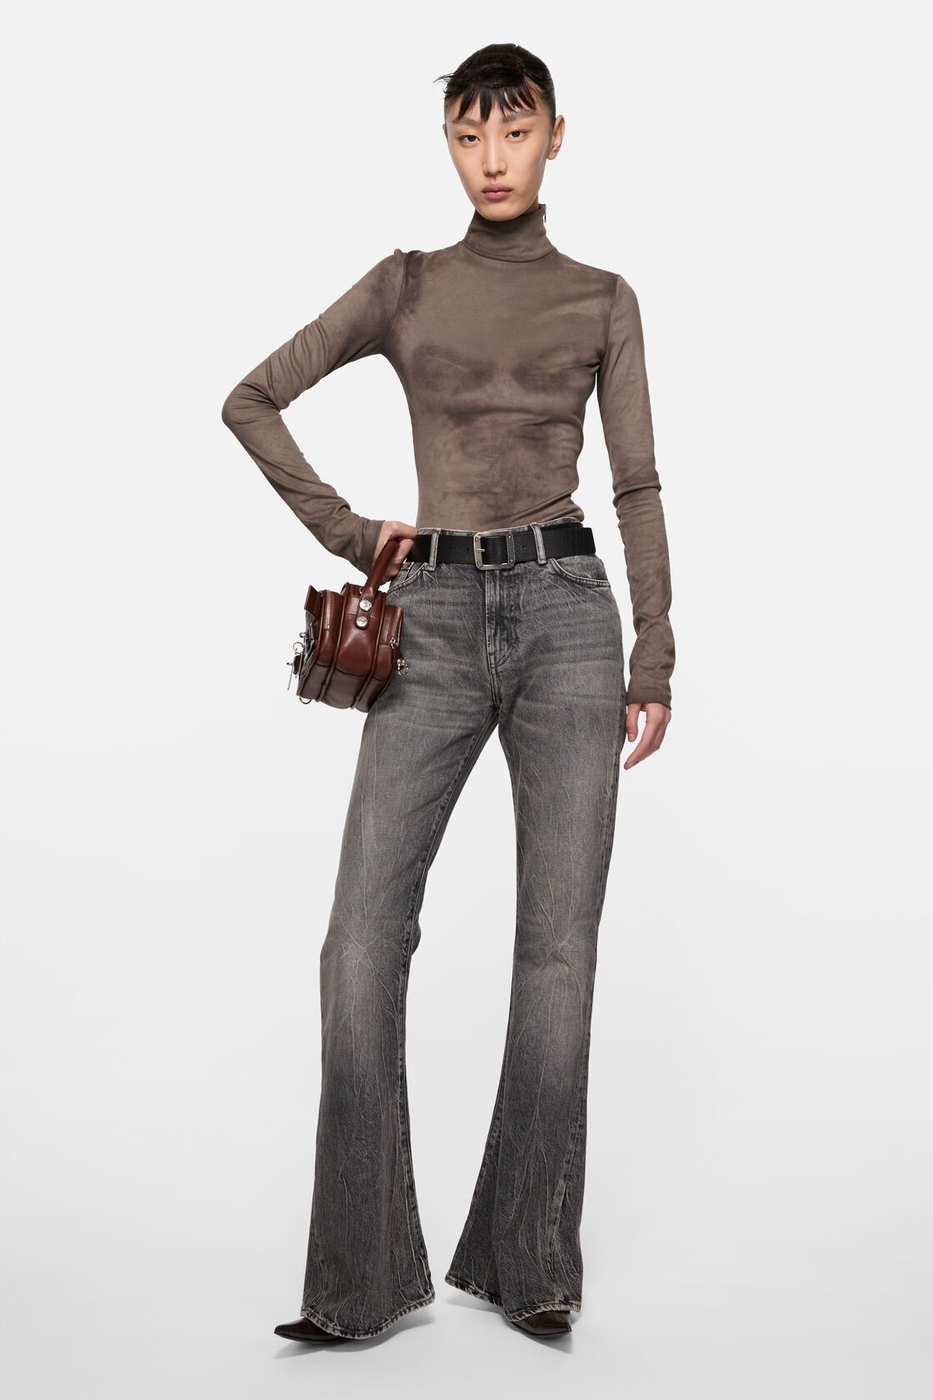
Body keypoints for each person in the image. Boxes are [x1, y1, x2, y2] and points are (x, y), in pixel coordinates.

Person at [221, 42, 675, 1343]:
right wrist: (353, 532)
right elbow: (251, 400)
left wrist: (654, 653)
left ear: (555, 137)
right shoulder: (406, 285)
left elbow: (635, 483)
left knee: (557, 947)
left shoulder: (601, 298)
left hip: (569, 618)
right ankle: (360, 1278)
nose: (491, 158)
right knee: (361, 939)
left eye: (513, 132)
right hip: (429, 615)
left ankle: (530, 1261)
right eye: (469, 135)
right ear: (448, 145)